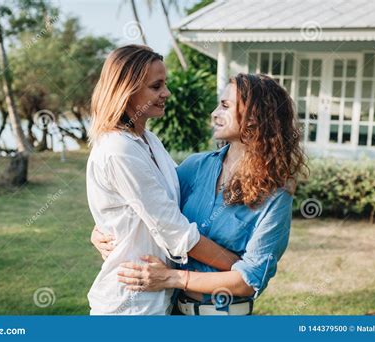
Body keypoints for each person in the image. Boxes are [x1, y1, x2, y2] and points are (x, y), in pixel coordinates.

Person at [92, 72, 307, 315]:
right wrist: (103, 231)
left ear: (254, 118)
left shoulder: (276, 193)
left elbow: (249, 281)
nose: (214, 113)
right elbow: (152, 207)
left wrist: (173, 278)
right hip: (172, 312)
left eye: (225, 106)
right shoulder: (196, 167)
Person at [86, 44, 241, 315]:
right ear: (128, 90)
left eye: (165, 84)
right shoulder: (119, 149)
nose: (166, 93)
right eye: (156, 86)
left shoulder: (147, 140)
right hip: (131, 305)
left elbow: (179, 194)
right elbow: (174, 229)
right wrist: (237, 266)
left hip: (158, 300)